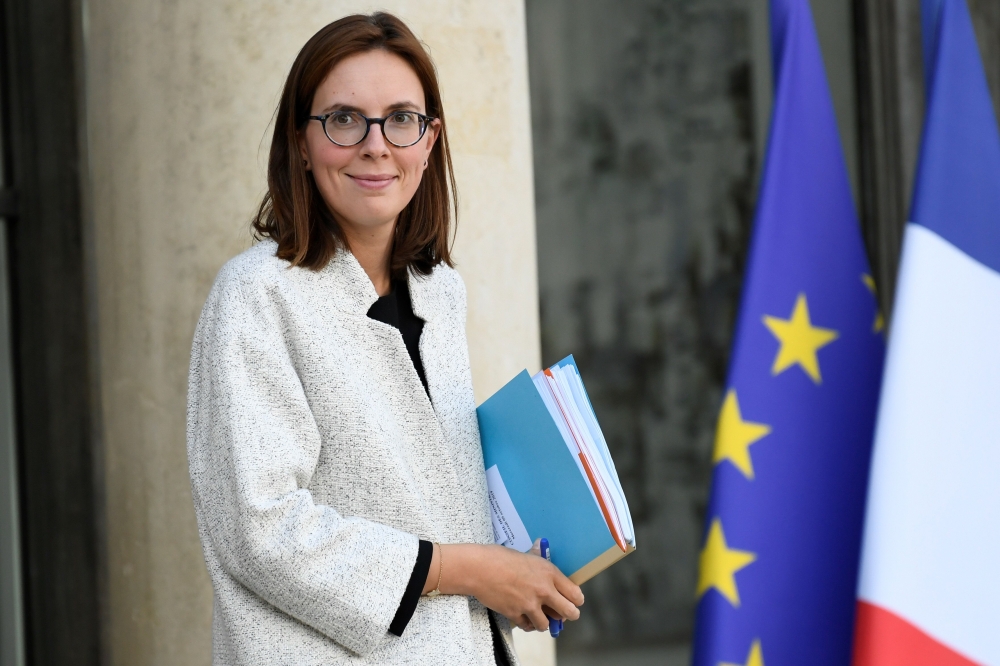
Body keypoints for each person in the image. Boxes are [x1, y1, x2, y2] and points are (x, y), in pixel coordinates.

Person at [186, 12, 584, 666]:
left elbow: (430, 503)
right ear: (301, 142)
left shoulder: (439, 291)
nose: (376, 145)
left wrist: (514, 574)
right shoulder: (257, 296)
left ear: (429, 141)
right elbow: (259, 529)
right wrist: (469, 570)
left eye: (401, 118)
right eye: (344, 119)